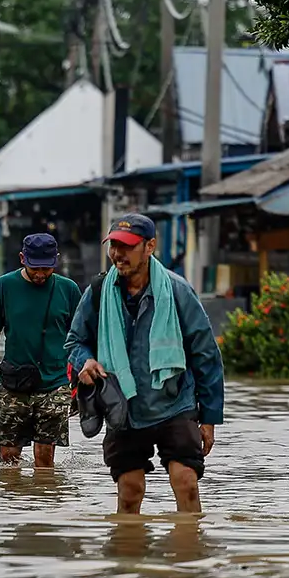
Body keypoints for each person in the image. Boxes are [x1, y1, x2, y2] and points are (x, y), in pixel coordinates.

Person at [67, 214, 225, 513]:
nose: (117, 254)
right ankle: (127, 553)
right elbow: (75, 341)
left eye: (127, 246)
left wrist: (210, 418)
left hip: (173, 402)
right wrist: (85, 360)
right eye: (113, 245)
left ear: (150, 246)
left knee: (186, 483)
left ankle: (189, 555)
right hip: (123, 407)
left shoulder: (178, 291)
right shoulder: (99, 292)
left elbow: (206, 354)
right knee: (130, 492)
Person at [0, 233, 83, 468]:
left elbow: (80, 338)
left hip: (55, 383)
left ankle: (41, 501)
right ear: (22, 258)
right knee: (8, 459)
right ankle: (13, 503)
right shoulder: (4, 286)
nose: (40, 274)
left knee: (44, 459)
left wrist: (81, 385)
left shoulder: (69, 290)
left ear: (56, 261)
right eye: (35, 269)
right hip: (14, 384)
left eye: (46, 268)